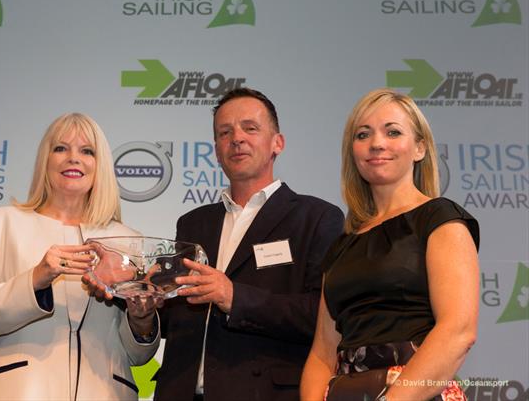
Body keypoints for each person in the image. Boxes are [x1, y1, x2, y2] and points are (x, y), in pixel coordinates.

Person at [153, 88, 345, 401]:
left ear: (277, 143)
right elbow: (179, 317)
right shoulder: (192, 223)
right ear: (216, 150)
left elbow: (320, 316)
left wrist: (234, 296)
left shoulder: (317, 218)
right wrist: (145, 303)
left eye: (250, 128)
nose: (237, 138)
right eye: (224, 132)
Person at [0, 112, 159, 401]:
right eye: (60, 148)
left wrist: (141, 317)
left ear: (100, 164)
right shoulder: (0, 223)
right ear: (46, 159)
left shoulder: (129, 240)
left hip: (107, 393)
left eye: (87, 151)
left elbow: (137, 354)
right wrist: (36, 279)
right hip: (18, 392)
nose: (73, 158)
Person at [300, 88, 479, 401]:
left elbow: (458, 331)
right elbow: (322, 354)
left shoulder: (439, 219)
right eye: (363, 134)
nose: (376, 143)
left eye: (393, 132)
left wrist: (393, 398)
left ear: (420, 147)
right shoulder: (341, 245)